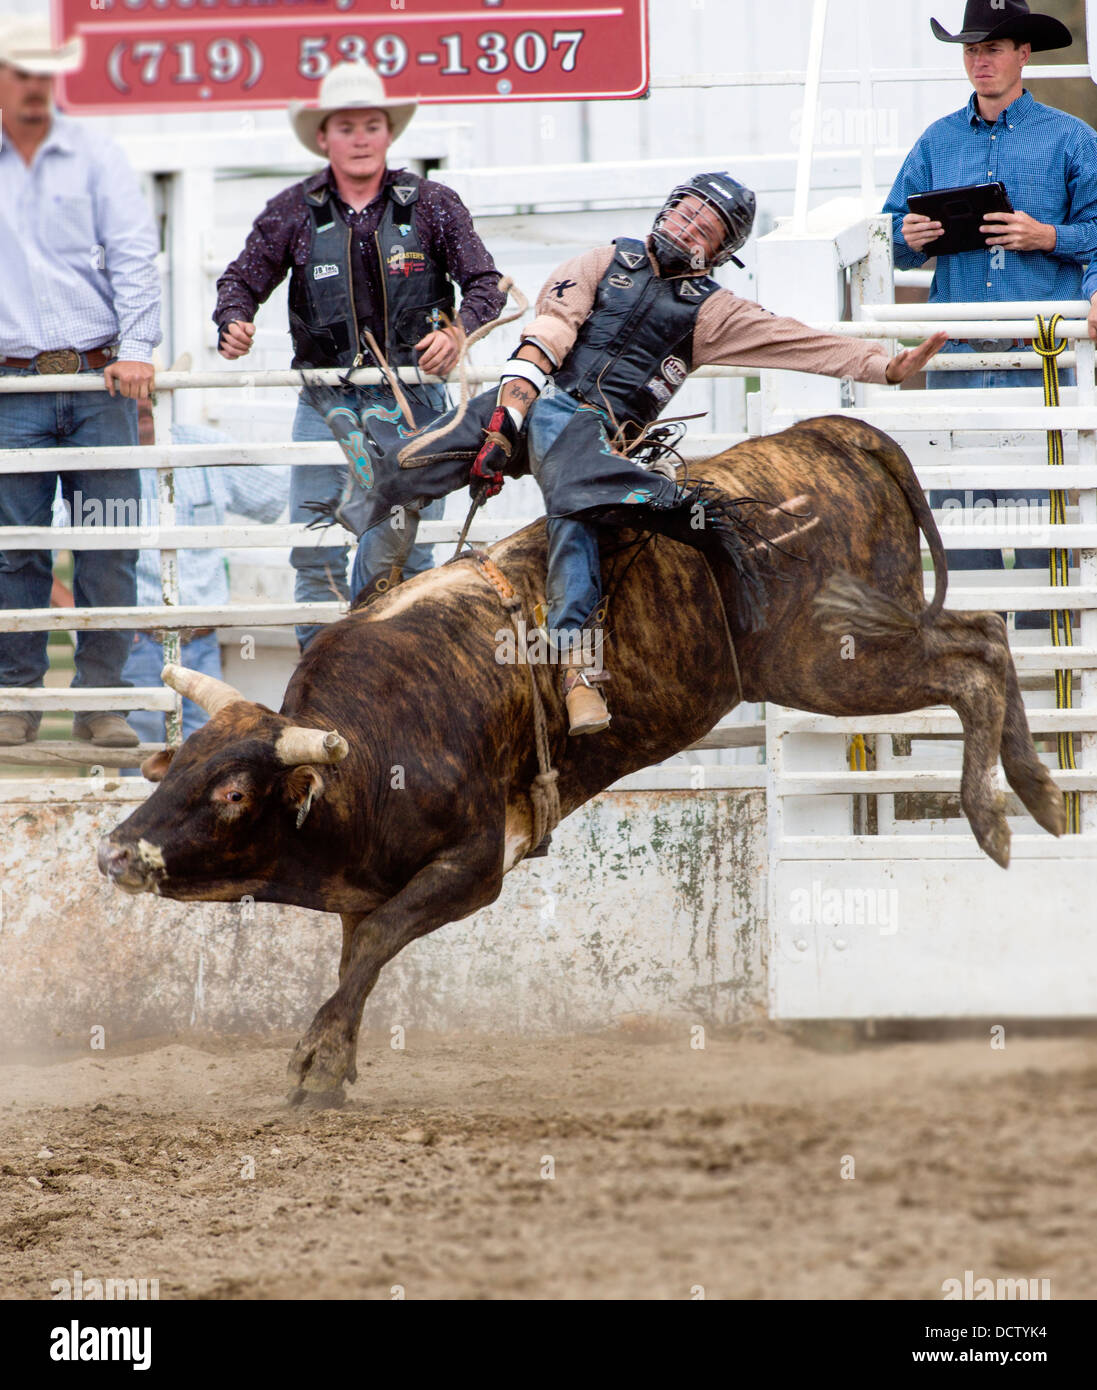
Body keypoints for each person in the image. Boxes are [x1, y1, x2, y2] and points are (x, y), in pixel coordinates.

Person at [332, 172, 946, 736]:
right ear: (666, 210)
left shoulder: (714, 311)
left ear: (721, 251)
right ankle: (371, 600)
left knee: (575, 506)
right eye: (685, 212)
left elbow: (794, 340)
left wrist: (883, 366)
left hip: (597, 436)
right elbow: (549, 330)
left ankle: (574, 666)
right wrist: (505, 418)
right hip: (534, 403)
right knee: (406, 462)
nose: (688, 226)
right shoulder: (604, 261)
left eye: (706, 226)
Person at [214, 60, 505, 651]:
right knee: (315, 538)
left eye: (372, 124)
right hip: (326, 398)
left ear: (389, 133)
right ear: (324, 137)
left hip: (413, 396)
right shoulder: (292, 211)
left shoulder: (432, 203)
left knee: (410, 543)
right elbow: (240, 281)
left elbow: (487, 285)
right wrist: (233, 320)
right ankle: (320, 679)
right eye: (346, 127)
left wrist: (457, 332)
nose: (361, 137)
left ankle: (406, 677)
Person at [883, 0, 1097, 629]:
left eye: (994, 48)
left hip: (1042, 356)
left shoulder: (1073, 138)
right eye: (972, 49)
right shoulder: (936, 140)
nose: (981, 60)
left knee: (1043, 516)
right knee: (960, 513)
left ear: (1023, 54)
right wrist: (910, 236)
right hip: (958, 354)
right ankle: (977, 658)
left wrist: (1046, 237)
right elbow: (889, 230)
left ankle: (1049, 661)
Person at [0, 18, 161, 748]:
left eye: (43, 74)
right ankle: (14, 696)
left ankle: (101, 701)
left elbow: (133, 250)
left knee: (108, 545)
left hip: (101, 380)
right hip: (11, 384)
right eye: (20, 73)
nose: (34, 88)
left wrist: (138, 347)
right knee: (13, 549)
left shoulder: (94, 153)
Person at [120, 422, 289, 763]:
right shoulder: (104, 453)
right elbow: (51, 544)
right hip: (138, 642)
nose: (142, 406)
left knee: (210, 757)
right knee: (143, 760)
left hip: (202, 643)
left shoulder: (205, 448)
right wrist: (102, 628)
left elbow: (276, 495)